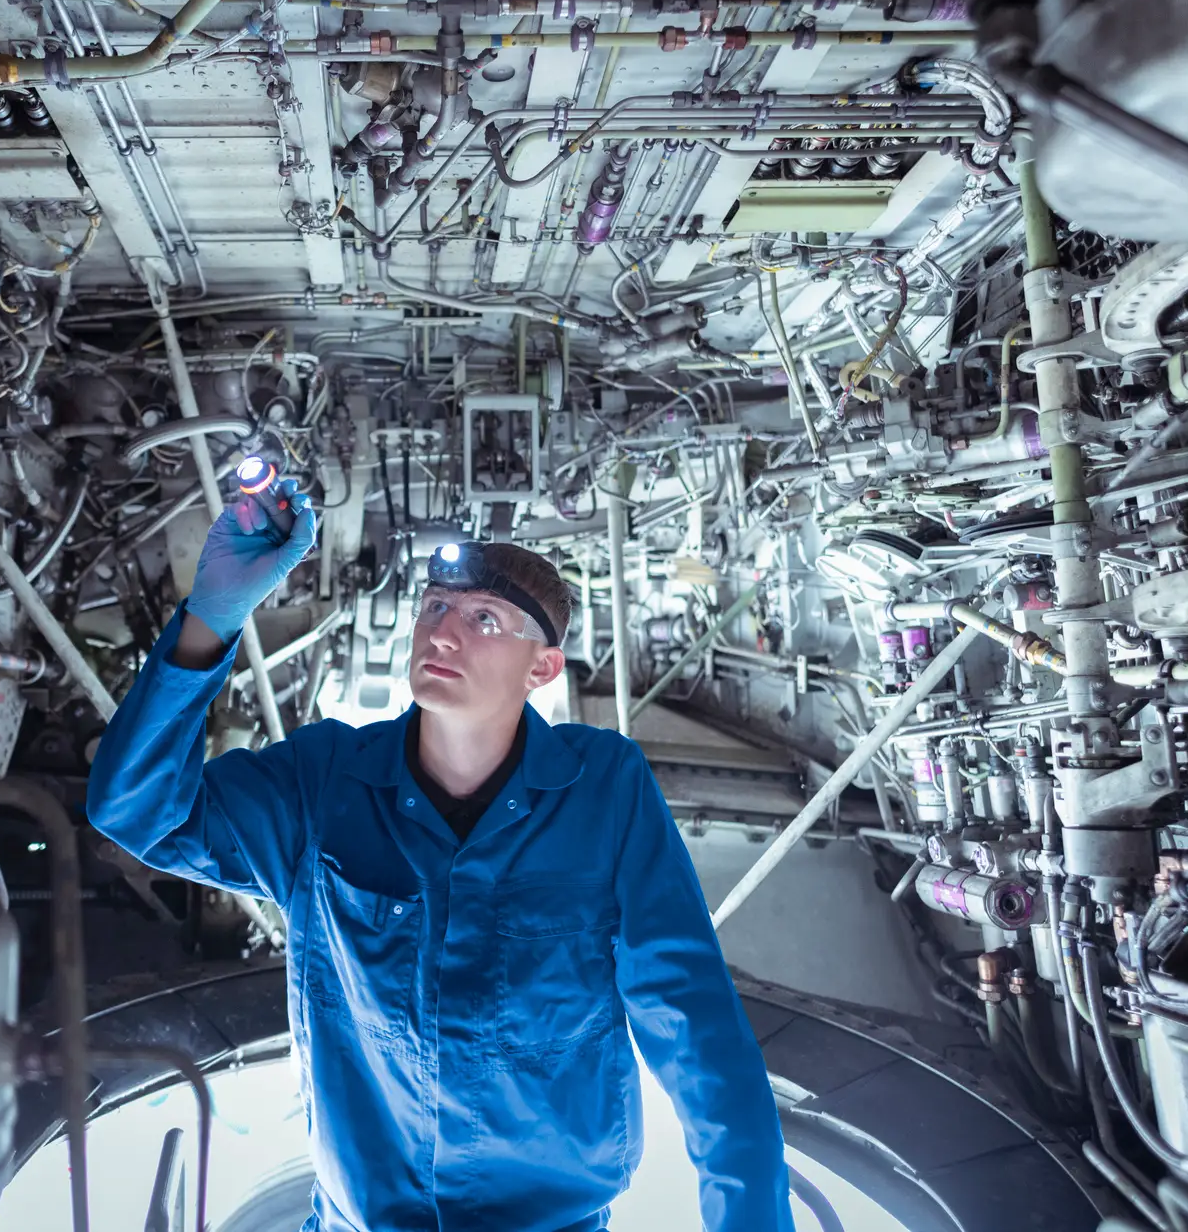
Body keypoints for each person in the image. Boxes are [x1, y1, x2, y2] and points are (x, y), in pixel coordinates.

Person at [87, 474, 790, 1232]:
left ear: (542, 668)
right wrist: (211, 617)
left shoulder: (604, 791)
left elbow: (693, 1025)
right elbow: (138, 812)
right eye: (435, 608)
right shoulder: (324, 782)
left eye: (484, 619)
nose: (442, 632)